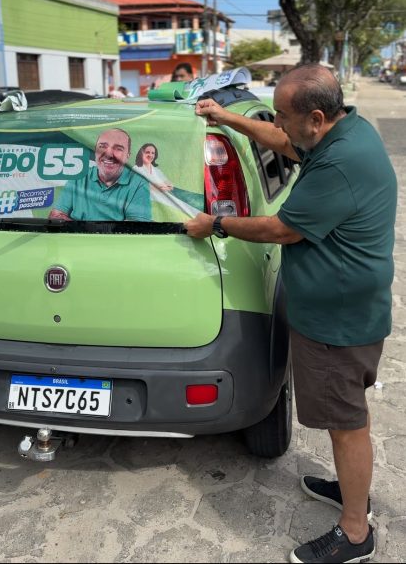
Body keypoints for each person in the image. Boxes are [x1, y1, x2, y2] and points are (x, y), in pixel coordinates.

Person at [184, 64, 397, 564]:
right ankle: (352, 494)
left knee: (347, 424)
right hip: (350, 308)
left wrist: (216, 223)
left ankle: (355, 532)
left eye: (283, 113)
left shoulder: (338, 166)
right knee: (345, 417)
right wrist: (226, 117)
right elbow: (282, 143)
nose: (277, 123)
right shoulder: (345, 133)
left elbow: (281, 229)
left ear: (317, 118)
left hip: (337, 322)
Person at [49, 128, 151, 222]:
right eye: (102, 146)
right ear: (95, 152)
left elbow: (136, 228)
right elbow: (56, 216)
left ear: (127, 156)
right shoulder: (79, 177)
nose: (109, 154)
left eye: (118, 148)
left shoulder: (139, 183)